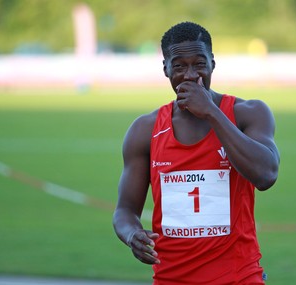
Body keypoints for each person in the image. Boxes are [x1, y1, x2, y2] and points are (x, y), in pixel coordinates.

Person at [113, 21, 280, 285]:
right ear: (165, 68)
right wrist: (132, 234)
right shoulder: (145, 130)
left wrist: (212, 113)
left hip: (238, 277)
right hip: (171, 278)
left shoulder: (247, 113)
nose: (190, 75)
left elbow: (266, 175)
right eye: (179, 66)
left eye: (199, 64)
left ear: (213, 63)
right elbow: (124, 211)